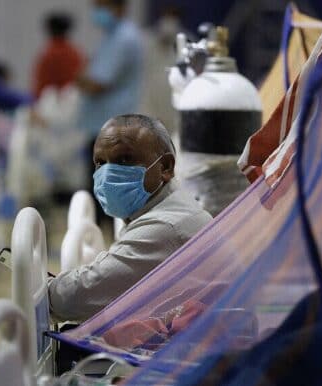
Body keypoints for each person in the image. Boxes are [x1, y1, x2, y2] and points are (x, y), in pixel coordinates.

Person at [48, 114, 213, 322]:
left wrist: (41, 289)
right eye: (100, 163)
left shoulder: (166, 226)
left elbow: (75, 298)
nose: (107, 175)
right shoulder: (171, 207)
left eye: (124, 159)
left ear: (165, 167)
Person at [77, 0, 144, 191]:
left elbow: (98, 84)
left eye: (102, 6)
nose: (98, 12)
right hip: (103, 124)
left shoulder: (124, 38)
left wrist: (80, 79)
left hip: (112, 127)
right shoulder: (112, 36)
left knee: (105, 189)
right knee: (98, 186)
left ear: (120, 6)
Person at [32, 12, 85, 99]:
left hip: (53, 101)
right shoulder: (75, 52)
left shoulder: (50, 53)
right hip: (69, 99)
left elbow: (43, 82)